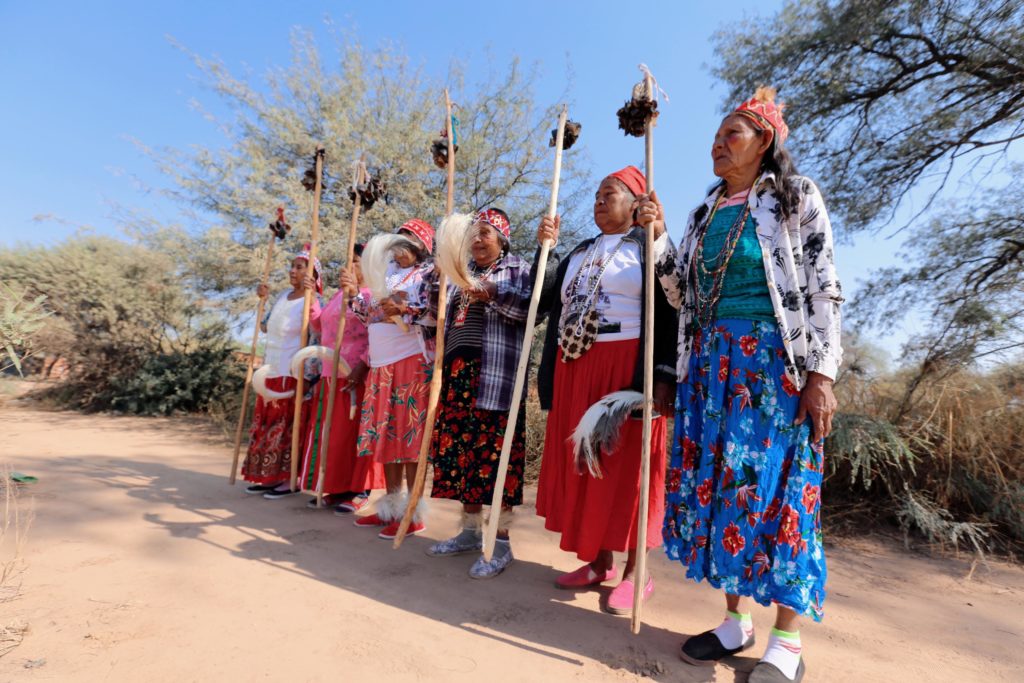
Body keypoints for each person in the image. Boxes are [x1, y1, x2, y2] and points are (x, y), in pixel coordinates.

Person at [643, 87, 842, 683]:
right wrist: (655, 238)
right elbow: (681, 294)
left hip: (773, 370)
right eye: (716, 135)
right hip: (708, 371)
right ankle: (735, 624)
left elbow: (824, 285)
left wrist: (822, 374)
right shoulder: (703, 213)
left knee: (779, 492)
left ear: (766, 142)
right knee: (720, 492)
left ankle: (787, 640)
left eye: (732, 133)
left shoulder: (795, 198)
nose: (717, 144)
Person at [533, 166, 677, 614]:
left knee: (631, 467)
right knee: (587, 464)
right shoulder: (579, 250)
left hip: (626, 366)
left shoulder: (648, 246)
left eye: (609, 193)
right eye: (595, 194)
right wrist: (545, 252)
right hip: (576, 363)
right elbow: (540, 303)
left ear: (636, 203)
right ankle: (599, 562)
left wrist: (665, 373)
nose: (598, 200)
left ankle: (638, 573)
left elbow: (674, 304)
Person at [426, 208, 532, 579]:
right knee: (462, 456)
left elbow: (526, 309)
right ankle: (470, 532)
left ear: (502, 237)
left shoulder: (517, 268)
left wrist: (491, 294)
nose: (477, 239)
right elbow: (436, 321)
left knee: (496, 458)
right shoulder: (459, 273)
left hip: (495, 378)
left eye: (485, 232)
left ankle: (499, 543)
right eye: (473, 233)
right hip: (458, 378)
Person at [341, 219, 436, 540]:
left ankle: (413, 511)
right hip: (381, 367)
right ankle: (392, 507)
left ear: (422, 246)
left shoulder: (431, 273)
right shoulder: (384, 273)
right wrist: (355, 295)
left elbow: (436, 311)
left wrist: (404, 307)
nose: (401, 250)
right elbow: (368, 315)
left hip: (412, 362)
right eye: (397, 244)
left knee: (409, 442)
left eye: (408, 245)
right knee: (388, 439)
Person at [300, 243, 386, 513]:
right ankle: (335, 487)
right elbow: (318, 326)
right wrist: (311, 296)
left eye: (356, 261)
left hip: (355, 374)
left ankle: (359, 489)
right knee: (333, 436)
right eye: (347, 260)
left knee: (354, 435)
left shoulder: (373, 294)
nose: (349, 266)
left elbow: (379, 333)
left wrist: (363, 365)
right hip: (329, 374)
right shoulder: (338, 295)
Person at [242, 245, 321, 499]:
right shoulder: (283, 296)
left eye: (300, 267)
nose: (293, 271)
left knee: (286, 426)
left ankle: (288, 480)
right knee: (266, 426)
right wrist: (263, 302)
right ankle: (266, 476)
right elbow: (265, 327)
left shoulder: (312, 302)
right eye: (293, 266)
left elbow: (316, 337)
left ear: (313, 275)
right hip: (270, 370)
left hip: (291, 372)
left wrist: (308, 376)